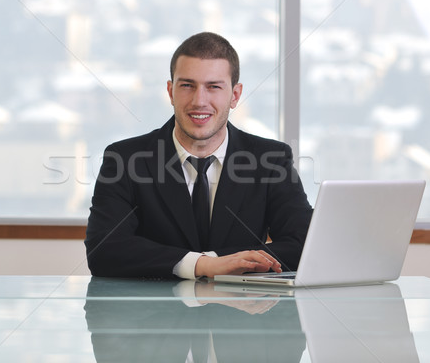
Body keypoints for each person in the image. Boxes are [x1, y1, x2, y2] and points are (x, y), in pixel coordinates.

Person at [85, 32, 312, 279]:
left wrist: (214, 261)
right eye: (187, 86)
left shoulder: (271, 159)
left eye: (213, 87)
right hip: (154, 314)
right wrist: (202, 266)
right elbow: (104, 249)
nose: (199, 100)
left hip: (239, 314)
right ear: (170, 92)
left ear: (235, 95)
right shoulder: (124, 159)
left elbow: (305, 246)